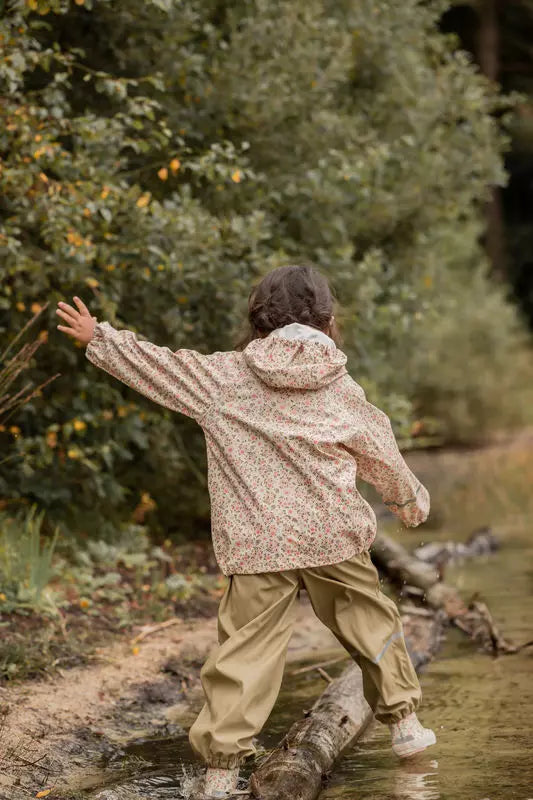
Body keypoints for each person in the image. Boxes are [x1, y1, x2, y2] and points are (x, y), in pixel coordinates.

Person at [56, 264, 436, 800]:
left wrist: (103, 339)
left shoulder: (225, 378)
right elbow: (381, 448)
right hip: (333, 533)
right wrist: (409, 499)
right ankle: (405, 727)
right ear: (328, 320)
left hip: (259, 542)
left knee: (246, 654)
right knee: (372, 623)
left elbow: (160, 367)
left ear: (257, 318)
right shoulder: (340, 385)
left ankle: (218, 775)